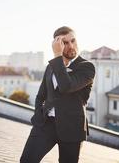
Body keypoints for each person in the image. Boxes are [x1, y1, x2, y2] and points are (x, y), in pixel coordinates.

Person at [20, 26, 95, 163]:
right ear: (57, 45)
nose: (71, 46)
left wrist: (57, 57)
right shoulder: (51, 67)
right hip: (46, 124)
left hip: (72, 128)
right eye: (65, 43)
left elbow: (66, 86)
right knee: (26, 160)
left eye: (73, 40)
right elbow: (40, 95)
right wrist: (38, 118)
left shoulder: (86, 67)